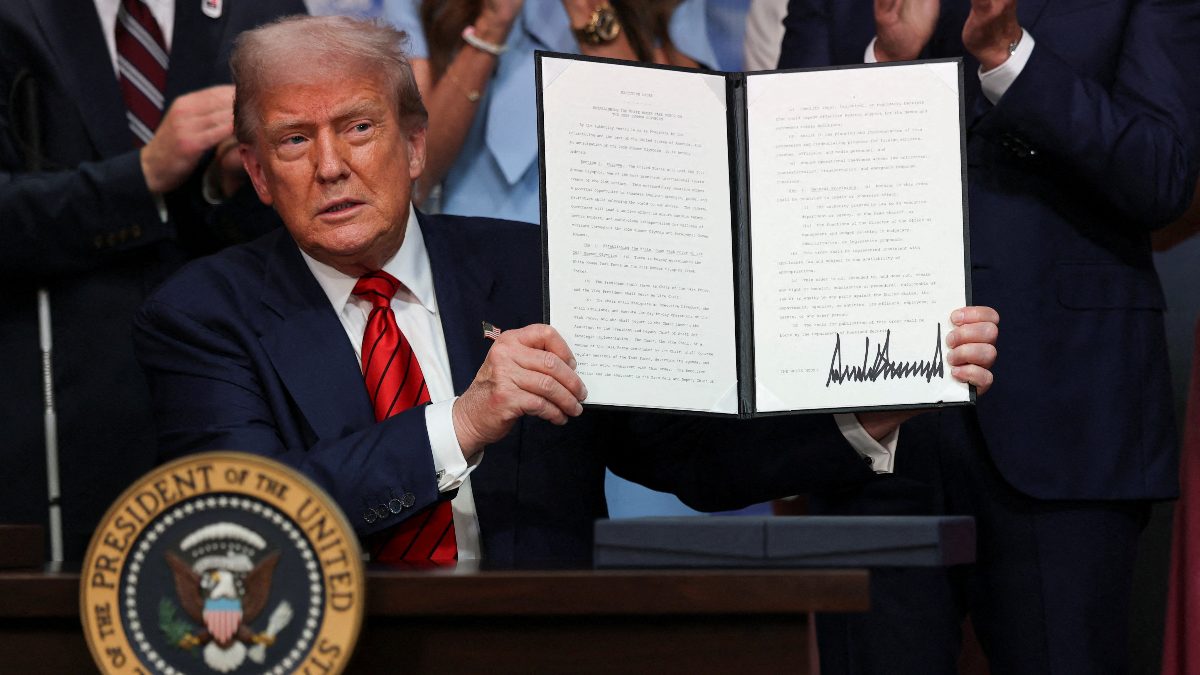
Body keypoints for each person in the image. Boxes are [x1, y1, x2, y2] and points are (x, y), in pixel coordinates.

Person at [132, 14, 1000, 568]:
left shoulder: (537, 270)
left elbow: (690, 456)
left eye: (358, 127)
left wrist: (876, 402)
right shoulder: (201, 316)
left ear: (414, 146)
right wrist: (462, 421)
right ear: (256, 172)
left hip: (544, 640)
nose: (330, 165)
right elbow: (246, 517)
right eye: (294, 140)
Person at [777, 1, 1200, 673]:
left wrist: (1010, 56)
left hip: (1068, 410)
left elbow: (1162, 176)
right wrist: (887, 65)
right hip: (869, 418)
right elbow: (777, 174)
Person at [0, 0, 306, 561]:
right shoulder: (16, 16)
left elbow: (311, 207)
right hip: (58, 409)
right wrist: (141, 175)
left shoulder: (266, 9)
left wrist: (227, 185)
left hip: (240, 389)